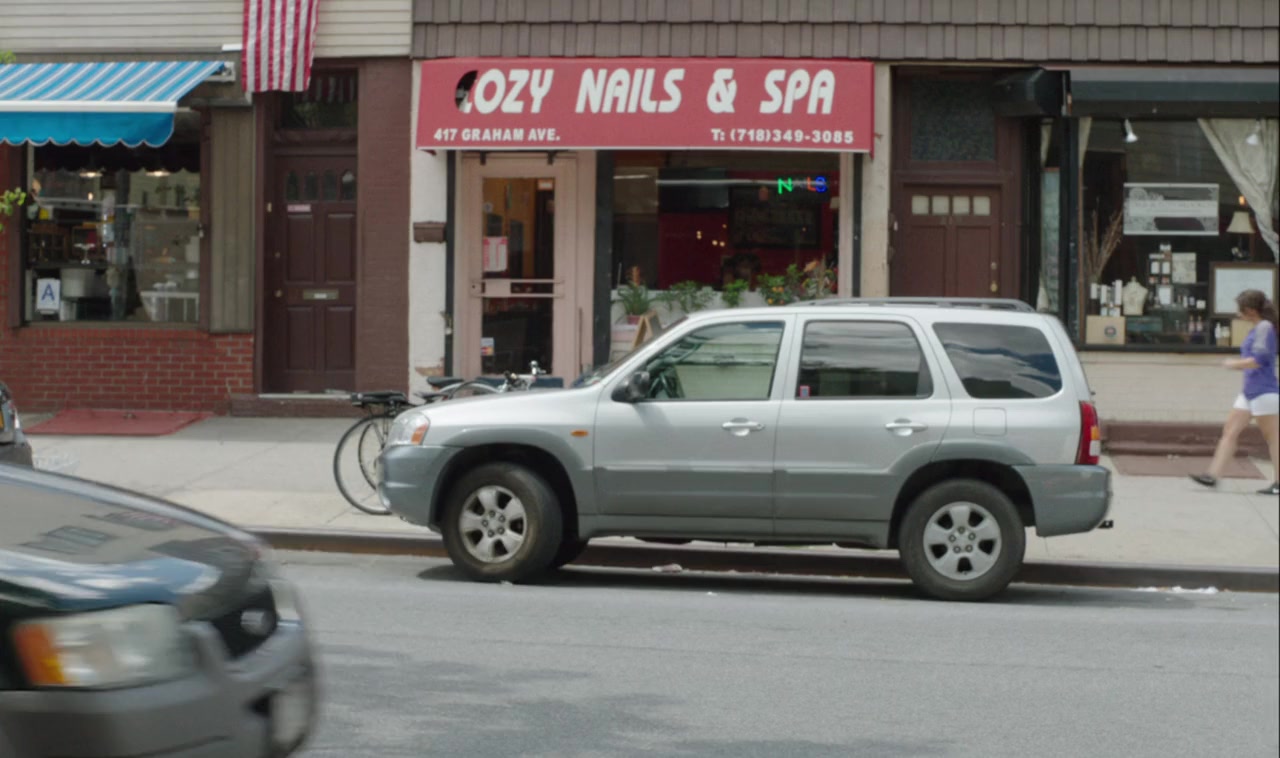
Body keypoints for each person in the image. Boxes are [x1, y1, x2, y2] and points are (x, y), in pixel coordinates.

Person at [1190, 289, 1279, 495]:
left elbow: (1258, 360)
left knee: (1274, 438)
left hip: (1264, 392)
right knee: (1230, 431)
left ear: (1250, 310)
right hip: (1249, 392)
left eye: (1241, 309)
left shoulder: (1264, 328)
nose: (1238, 313)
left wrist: (1233, 364)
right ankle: (1212, 476)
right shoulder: (1259, 327)